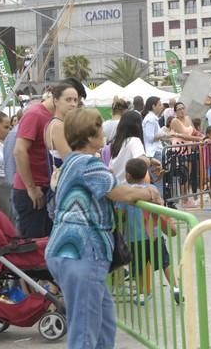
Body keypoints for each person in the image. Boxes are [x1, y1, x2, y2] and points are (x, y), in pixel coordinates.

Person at [45, 108, 162, 348]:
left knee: (104, 322)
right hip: (84, 251)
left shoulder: (71, 162)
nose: (105, 133)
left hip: (66, 249)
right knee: (86, 332)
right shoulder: (89, 164)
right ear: (90, 136)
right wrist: (149, 191)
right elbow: (120, 192)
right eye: (100, 129)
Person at [119, 158, 178, 306]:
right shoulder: (152, 189)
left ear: (128, 175)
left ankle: (141, 294)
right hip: (155, 234)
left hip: (134, 237)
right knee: (165, 262)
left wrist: (119, 231)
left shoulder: (125, 192)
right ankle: (176, 288)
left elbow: (121, 214)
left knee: (138, 267)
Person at [13, 84, 70, 238]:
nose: (73, 104)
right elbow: (19, 150)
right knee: (33, 248)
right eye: (69, 99)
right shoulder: (35, 114)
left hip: (48, 189)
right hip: (32, 191)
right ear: (56, 98)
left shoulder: (56, 119)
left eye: (76, 100)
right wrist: (31, 188)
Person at [110, 111, 159, 184]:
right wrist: (149, 162)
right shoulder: (134, 141)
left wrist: (150, 160)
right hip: (129, 187)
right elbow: (142, 160)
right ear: (137, 126)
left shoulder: (116, 142)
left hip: (116, 187)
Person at [142, 96, 172, 161]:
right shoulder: (150, 119)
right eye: (159, 105)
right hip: (154, 151)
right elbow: (150, 137)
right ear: (153, 106)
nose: (161, 107)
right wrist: (163, 135)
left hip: (155, 150)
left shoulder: (152, 118)